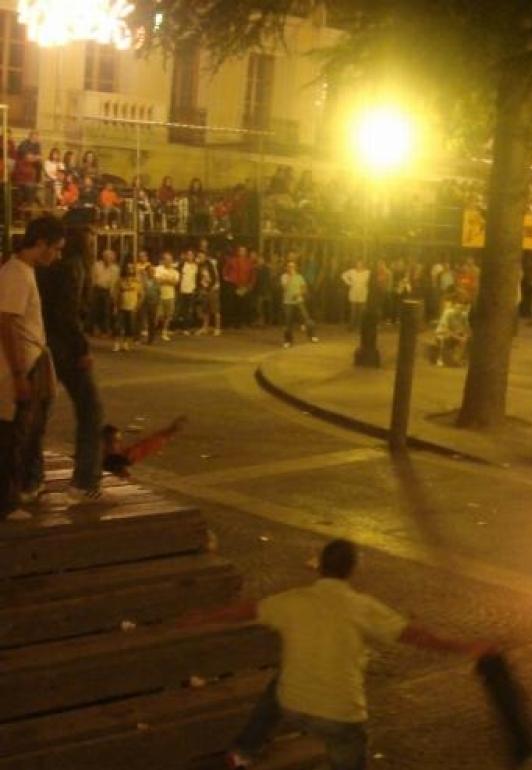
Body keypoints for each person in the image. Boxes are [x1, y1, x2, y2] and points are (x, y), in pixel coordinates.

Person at [179, 539, 493, 770]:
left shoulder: (292, 600)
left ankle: (243, 751)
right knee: (349, 752)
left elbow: (249, 609)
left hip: (293, 704)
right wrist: (464, 647)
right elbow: (414, 635)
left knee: (279, 685)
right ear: (352, 570)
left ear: (319, 566)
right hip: (338, 716)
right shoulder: (362, 607)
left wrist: (203, 617)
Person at [37, 225, 109, 503]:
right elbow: (67, 312)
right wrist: (82, 348)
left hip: (45, 346)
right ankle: (86, 480)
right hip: (66, 348)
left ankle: (30, 478)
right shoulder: (74, 267)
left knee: (38, 413)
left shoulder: (49, 268)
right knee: (91, 410)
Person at [1, 217, 64, 519]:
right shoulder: (16, 274)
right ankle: (8, 501)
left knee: (27, 430)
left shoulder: (24, 272)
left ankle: (22, 487)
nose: (58, 255)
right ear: (40, 243)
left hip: (32, 362)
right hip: (21, 366)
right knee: (15, 434)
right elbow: (6, 323)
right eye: (55, 248)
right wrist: (18, 376)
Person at [280, 260, 319, 348]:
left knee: (307, 318)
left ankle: (312, 335)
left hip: (299, 301)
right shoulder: (284, 277)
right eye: (289, 266)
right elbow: (285, 288)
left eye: (293, 266)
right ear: (286, 268)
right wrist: (291, 277)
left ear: (295, 267)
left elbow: (304, 289)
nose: (291, 268)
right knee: (288, 322)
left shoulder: (300, 277)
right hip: (287, 302)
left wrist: (299, 294)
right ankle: (288, 341)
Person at [89, 248, 120, 336]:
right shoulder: (97, 265)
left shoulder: (115, 269)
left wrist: (113, 293)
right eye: (106, 256)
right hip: (97, 289)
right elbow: (93, 278)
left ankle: (105, 330)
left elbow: (114, 281)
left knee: (106, 311)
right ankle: (95, 329)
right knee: (95, 309)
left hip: (107, 291)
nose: (108, 258)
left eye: (110, 257)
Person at [433, 294, 470, 366]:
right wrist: (459, 338)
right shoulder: (448, 313)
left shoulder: (463, 315)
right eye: (458, 307)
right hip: (442, 333)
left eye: (462, 308)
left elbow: (467, 329)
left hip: (456, 335)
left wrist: (465, 337)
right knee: (446, 338)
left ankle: (459, 359)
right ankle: (440, 358)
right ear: (454, 306)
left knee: (466, 340)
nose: (459, 310)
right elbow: (445, 329)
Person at [112, 262, 142, 352]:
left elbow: (141, 294)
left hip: (132, 307)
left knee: (129, 326)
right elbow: (115, 293)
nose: (130, 270)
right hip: (121, 306)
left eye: (131, 268)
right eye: (128, 268)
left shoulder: (137, 281)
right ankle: (116, 344)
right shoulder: (120, 280)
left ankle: (125, 343)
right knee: (118, 325)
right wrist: (115, 305)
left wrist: (138, 305)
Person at [154, 252, 180, 342]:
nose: (169, 261)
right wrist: (168, 280)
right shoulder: (158, 269)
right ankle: (152, 331)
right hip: (159, 295)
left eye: (170, 260)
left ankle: (164, 332)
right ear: (163, 260)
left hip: (170, 295)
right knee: (157, 315)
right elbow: (157, 280)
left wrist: (165, 280)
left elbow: (175, 282)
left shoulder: (175, 271)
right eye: (167, 259)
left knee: (168, 315)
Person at [342, 260, 371, 330]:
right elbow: (343, 275)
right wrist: (349, 283)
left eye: (360, 264)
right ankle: (351, 326)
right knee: (353, 311)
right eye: (358, 264)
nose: (359, 265)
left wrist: (367, 284)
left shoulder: (367, 272)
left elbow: (372, 278)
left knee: (361, 311)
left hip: (363, 293)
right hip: (354, 292)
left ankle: (360, 326)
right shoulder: (352, 271)